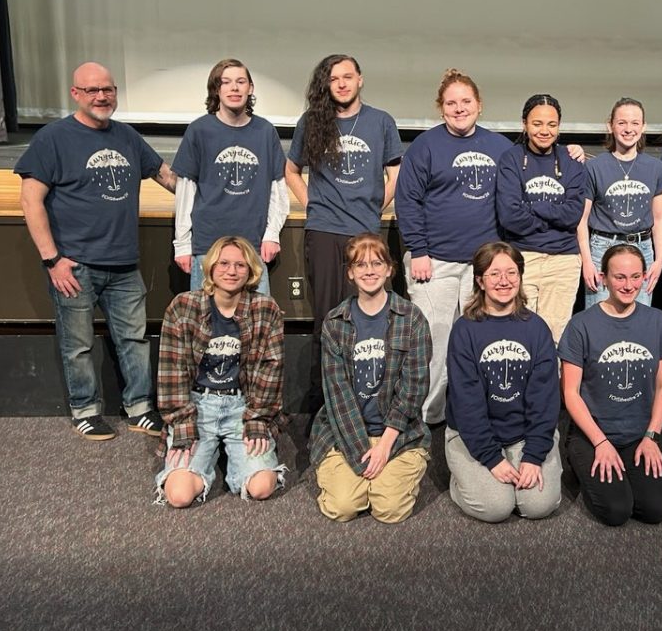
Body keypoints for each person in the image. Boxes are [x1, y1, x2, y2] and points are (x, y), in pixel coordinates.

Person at [15, 61, 176, 441]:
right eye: (92, 90)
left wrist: (209, 197)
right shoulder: (53, 138)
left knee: (134, 340)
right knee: (78, 345)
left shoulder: (127, 137)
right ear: (75, 94)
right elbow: (30, 201)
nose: (101, 96)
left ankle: (139, 408)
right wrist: (52, 260)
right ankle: (85, 410)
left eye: (108, 89)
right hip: (75, 266)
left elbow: (167, 177)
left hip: (124, 264)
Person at [285, 54, 403, 413]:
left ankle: (364, 398)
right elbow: (291, 171)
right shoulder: (313, 121)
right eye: (334, 78)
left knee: (367, 315)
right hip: (323, 231)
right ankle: (324, 401)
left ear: (360, 80)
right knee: (328, 315)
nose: (341, 83)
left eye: (348, 77)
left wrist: (374, 208)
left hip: (365, 232)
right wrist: (313, 204)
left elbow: (395, 174)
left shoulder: (381, 122)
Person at [394, 69, 512, 425]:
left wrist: (575, 154)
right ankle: (427, 419)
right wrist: (419, 250)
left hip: (482, 267)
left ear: (479, 105)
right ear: (440, 108)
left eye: (466, 101)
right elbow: (407, 200)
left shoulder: (500, 147)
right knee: (437, 341)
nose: (459, 108)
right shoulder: (425, 147)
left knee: (479, 343)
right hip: (436, 263)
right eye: (451, 103)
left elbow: (531, 172)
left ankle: (469, 415)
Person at [156, 236, 287, 507]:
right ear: (211, 268)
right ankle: (214, 453)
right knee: (178, 496)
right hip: (198, 405)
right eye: (224, 263)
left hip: (243, 405)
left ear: (251, 271)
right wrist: (182, 425)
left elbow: (271, 371)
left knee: (262, 487)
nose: (231, 271)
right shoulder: (183, 307)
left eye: (240, 265)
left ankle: (233, 457)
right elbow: (172, 373)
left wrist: (258, 420)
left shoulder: (266, 308)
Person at [312, 233, 432, 524]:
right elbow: (337, 394)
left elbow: (413, 388)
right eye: (360, 264)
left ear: (390, 269)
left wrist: (385, 446)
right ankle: (361, 480)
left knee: (389, 510)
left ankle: (382, 477)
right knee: (343, 507)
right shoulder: (335, 322)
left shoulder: (411, 317)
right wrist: (361, 453)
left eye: (377, 263)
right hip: (347, 430)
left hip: (398, 432)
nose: (369, 271)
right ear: (350, 273)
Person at [560, 244, 662, 526]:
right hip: (594, 433)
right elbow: (570, 393)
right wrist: (600, 442)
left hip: (640, 433)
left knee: (655, 510)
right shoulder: (581, 325)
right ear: (603, 278)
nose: (629, 285)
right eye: (620, 277)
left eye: (635, 277)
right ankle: (580, 462)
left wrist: (652, 437)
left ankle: (627, 468)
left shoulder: (658, 322)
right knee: (616, 511)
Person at [445, 242, 562, 522]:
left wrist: (533, 456)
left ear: (520, 277)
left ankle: (516, 469)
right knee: (496, 507)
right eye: (494, 274)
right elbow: (466, 402)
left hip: (524, 434)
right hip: (473, 434)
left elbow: (545, 399)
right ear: (480, 281)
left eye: (511, 272)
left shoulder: (536, 328)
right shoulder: (464, 330)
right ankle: (460, 481)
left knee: (539, 506)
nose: (504, 281)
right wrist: (491, 458)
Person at [172, 58, 288, 295]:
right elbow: (186, 191)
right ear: (216, 89)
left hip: (253, 247)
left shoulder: (265, 132)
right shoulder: (199, 130)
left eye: (240, 82)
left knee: (256, 323)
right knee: (206, 323)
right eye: (226, 82)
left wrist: (272, 234)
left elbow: (278, 188)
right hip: (208, 245)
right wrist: (182, 244)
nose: (234, 88)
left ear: (250, 88)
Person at [496, 94, 586, 343]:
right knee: (518, 336)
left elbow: (572, 215)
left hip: (564, 262)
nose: (544, 131)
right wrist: (553, 215)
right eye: (537, 123)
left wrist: (533, 206)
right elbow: (510, 216)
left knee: (554, 339)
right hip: (523, 259)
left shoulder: (572, 161)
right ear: (525, 123)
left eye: (552, 124)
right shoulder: (511, 159)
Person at [577, 97, 662, 309]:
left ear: (643, 126)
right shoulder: (594, 167)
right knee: (600, 317)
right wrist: (587, 262)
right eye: (622, 123)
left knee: (640, 317)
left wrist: (659, 258)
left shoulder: (656, 168)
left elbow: (659, 218)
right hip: (602, 248)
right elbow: (581, 219)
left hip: (642, 248)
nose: (629, 129)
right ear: (611, 125)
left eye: (635, 123)